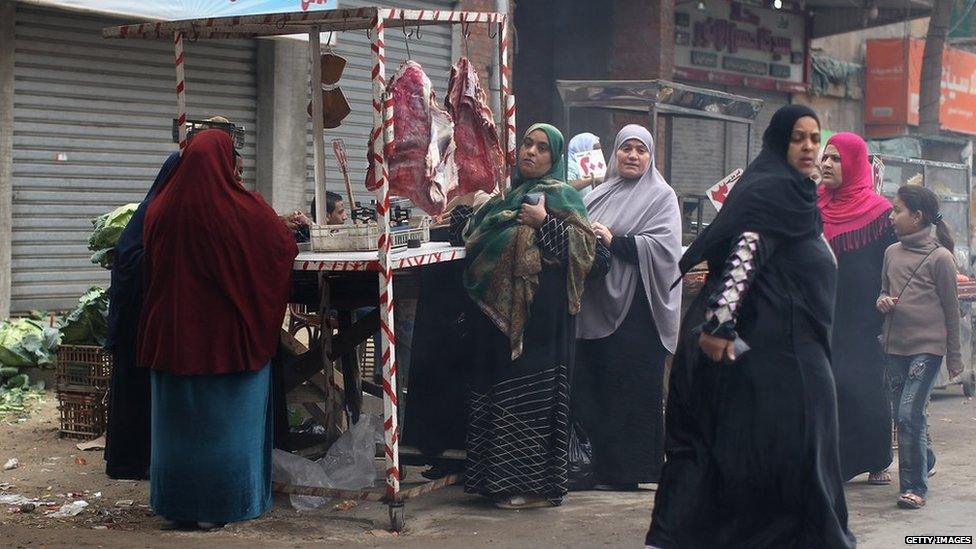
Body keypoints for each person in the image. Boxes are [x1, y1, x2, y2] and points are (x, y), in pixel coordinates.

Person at [646, 105, 856, 548]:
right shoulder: (774, 192)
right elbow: (744, 255)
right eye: (798, 137)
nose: (809, 147)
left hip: (778, 350)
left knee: (773, 460)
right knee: (790, 458)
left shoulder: (795, 196)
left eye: (815, 138)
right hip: (769, 353)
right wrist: (721, 330)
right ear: (779, 142)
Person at [139, 129, 297, 529]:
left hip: (171, 339)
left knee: (176, 431)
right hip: (226, 343)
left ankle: (177, 506)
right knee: (226, 429)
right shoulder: (241, 208)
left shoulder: (159, 207)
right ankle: (223, 504)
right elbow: (280, 246)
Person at [454, 123, 596, 509]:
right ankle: (496, 482)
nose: (531, 152)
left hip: (543, 320)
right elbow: (477, 236)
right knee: (502, 396)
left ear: (555, 158)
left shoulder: (563, 195)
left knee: (532, 398)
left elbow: (586, 252)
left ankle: (535, 488)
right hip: (501, 318)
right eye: (527, 144)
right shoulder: (507, 198)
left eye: (542, 148)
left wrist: (544, 223)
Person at [574, 124, 682, 490]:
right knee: (598, 385)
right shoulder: (598, 194)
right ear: (615, 153)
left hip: (640, 309)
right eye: (626, 149)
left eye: (640, 150)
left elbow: (665, 249)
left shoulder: (662, 197)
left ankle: (630, 471)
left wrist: (614, 240)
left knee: (632, 390)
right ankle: (596, 468)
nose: (632, 156)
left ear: (650, 157)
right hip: (597, 304)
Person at [818, 132, 898, 485]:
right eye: (826, 157)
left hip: (863, 315)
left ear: (853, 164)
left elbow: (894, 264)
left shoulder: (880, 213)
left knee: (861, 387)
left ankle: (876, 456)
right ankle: (834, 461)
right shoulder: (812, 206)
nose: (826, 164)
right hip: (819, 310)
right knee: (826, 386)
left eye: (836, 159)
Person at [877, 185, 961, 510]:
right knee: (903, 415)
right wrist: (882, 301)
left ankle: (914, 487)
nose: (891, 216)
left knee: (909, 414)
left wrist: (953, 356)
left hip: (928, 348)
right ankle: (926, 458)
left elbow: (952, 311)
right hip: (895, 346)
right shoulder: (890, 253)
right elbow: (882, 291)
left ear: (917, 216)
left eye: (897, 210)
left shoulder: (941, 258)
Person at [103, 150, 180, 480]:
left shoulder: (161, 210)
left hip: (145, 319)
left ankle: (138, 458)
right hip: (137, 321)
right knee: (135, 394)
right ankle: (129, 462)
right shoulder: (153, 212)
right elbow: (133, 262)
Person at [566, 132, 604, 197]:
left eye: (599, 149)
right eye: (594, 149)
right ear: (582, 147)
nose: (597, 153)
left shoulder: (589, 164)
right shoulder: (569, 163)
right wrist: (592, 179)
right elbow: (566, 187)